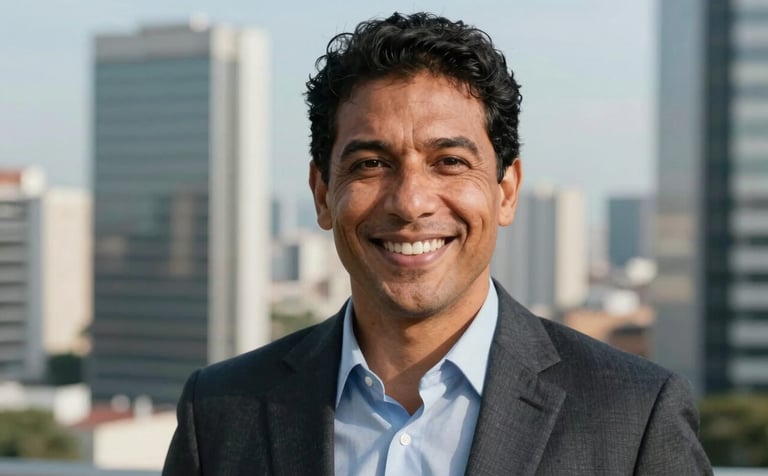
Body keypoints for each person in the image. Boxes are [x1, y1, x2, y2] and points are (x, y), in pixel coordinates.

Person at [163, 12, 712, 475]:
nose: (410, 202)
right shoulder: (218, 412)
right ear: (323, 193)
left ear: (506, 190)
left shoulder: (634, 415)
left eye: (449, 162)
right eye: (370, 163)